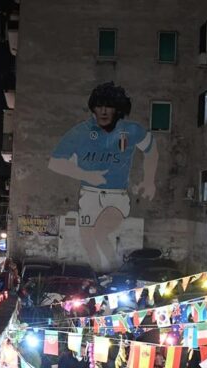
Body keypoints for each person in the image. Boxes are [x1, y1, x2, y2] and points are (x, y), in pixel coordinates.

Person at [48, 82, 158, 271]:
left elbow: (151, 149)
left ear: (118, 109)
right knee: (87, 241)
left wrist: (149, 180)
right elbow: (55, 162)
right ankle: (101, 275)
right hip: (89, 194)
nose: (104, 111)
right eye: (99, 106)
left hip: (116, 195)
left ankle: (115, 271)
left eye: (109, 106)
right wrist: (86, 175)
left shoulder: (130, 130)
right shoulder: (80, 132)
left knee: (99, 233)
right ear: (93, 108)